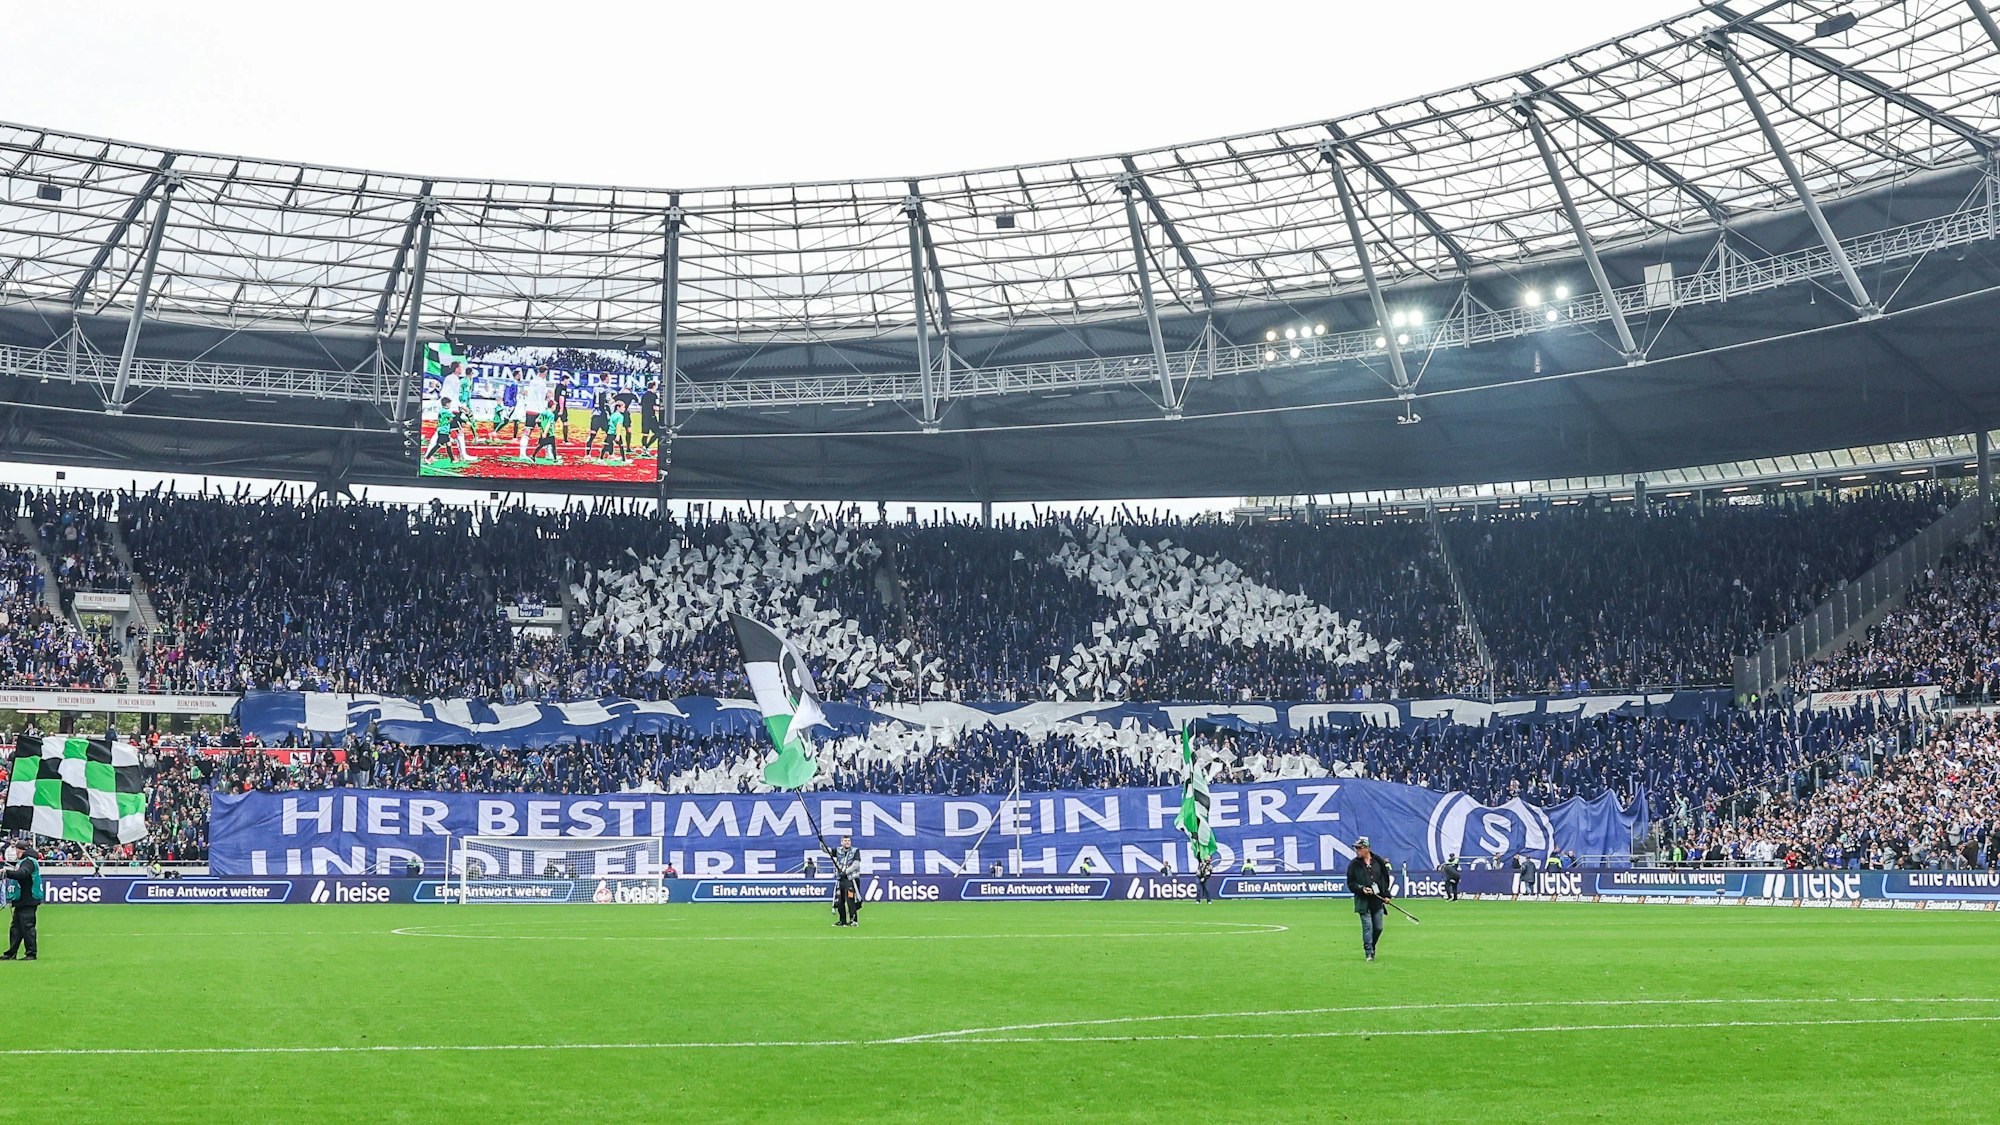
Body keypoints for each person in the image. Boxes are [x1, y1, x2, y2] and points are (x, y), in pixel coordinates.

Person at [1346, 836, 1393, 962]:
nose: (1357, 851)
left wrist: (1386, 895)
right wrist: (1361, 889)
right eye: (1356, 849)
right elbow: (1351, 883)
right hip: (1363, 901)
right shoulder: (1353, 864)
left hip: (1377, 900)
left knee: (1378, 927)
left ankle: (1372, 946)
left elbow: (1385, 879)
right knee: (1368, 926)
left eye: (1359, 848)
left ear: (1367, 848)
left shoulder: (1378, 861)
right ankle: (1369, 952)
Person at [1, 842, 43, 961]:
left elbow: (22, 874)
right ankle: (11, 953)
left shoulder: (29, 862)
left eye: (17, 850)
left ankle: (31, 953)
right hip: (22, 900)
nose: (15, 853)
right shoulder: (26, 861)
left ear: (21, 850)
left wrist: (7, 872)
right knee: (16, 928)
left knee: (27, 927)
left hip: (28, 900)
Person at [820, 834, 862, 927]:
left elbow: (856, 865)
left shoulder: (855, 851)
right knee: (839, 900)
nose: (847, 842)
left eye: (848, 841)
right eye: (845, 841)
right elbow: (826, 850)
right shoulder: (838, 850)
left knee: (851, 900)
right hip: (840, 879)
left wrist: (845, 872)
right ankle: (842, 920)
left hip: (850, 879)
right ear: (841, 842)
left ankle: (853, 920)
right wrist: (821, 842)